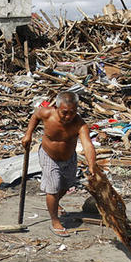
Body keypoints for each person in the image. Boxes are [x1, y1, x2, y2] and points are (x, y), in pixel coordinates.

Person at [21, 91, 97, 236]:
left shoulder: (79, 124)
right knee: (53, 188)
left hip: (69, 158)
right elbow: (35, 116)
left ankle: (54, 204)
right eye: (64, 112)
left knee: (67, 185)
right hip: (49, 156)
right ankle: (55, 220)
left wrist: (92, 165)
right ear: (56, 108)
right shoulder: (47, 113)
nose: (68, 116)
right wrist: (28, 134)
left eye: (72, 112)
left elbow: (88, 145)